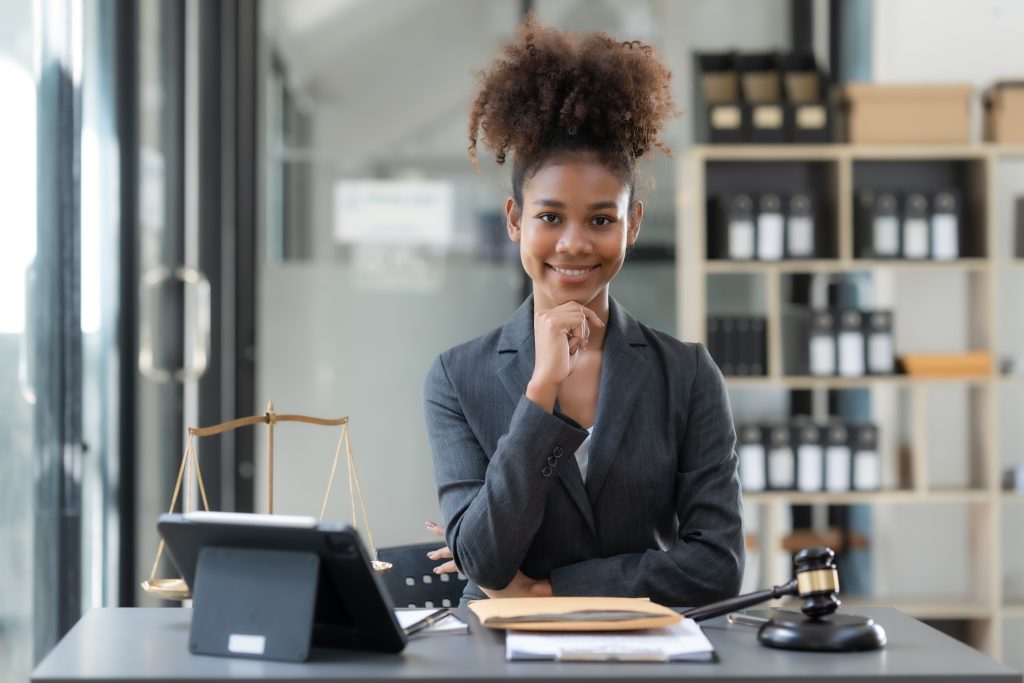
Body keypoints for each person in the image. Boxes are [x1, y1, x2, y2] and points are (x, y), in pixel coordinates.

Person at [422, 16, 743, 607]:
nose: (574, 243)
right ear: (515, 220)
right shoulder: (456, 377)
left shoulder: (689, 375)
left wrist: (551, 591)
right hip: (497, 654)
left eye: (601, 219)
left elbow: (717, 565)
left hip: (644, 656)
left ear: (633, 224)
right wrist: (541, 390)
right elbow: (485, 561)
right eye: (549, 217)